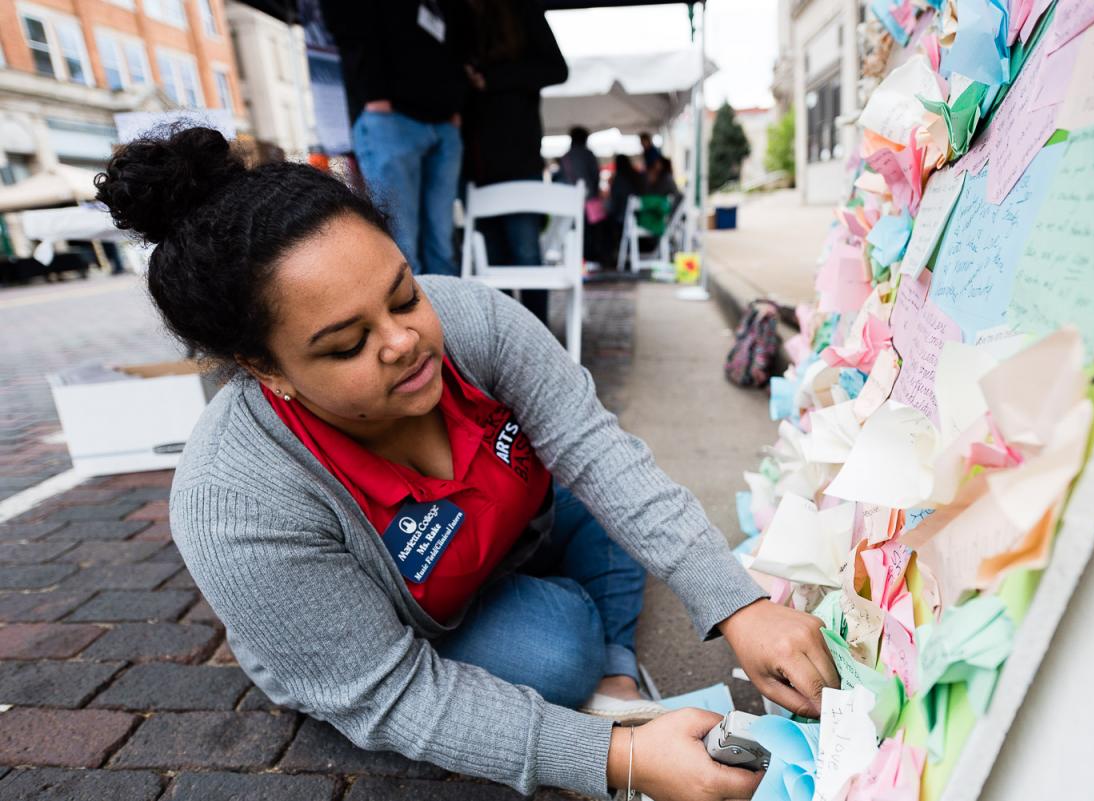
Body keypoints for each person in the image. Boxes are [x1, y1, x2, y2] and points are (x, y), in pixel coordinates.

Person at [94, 127, 839, 801]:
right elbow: (391, 693)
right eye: (346, 344)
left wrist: (741, 606)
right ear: (265, 367)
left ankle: (616, 669)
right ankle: (597, 663)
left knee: (610, 495)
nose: (406, 342)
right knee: (556, 655)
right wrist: (618, 756)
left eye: (403, 295)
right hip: (409, 624)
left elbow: (599, 452)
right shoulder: (235, 499)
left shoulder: (469, 317)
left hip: (506, 534)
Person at [321, 0, 470, 276]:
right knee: (402, 246)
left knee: (442, 243)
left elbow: (461, 35)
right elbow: (345, 22)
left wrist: (455, 103)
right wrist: (375, 93)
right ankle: (411, 318)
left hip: (443, 118)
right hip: (390, 118)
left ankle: (447, 317)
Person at [462, 0, 567, 325]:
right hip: (475, 166)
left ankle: (537, 339)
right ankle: (506, 342)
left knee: (525, 255)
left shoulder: (522, 13)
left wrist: (491, 81)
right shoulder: (460, 17)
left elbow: (557, 70)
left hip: (517, 161)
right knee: (492, 262)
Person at [555, 126, 604, 263]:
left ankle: (575, 259)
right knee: (590, 231)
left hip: (570, 199)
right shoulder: (588, 154)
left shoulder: (565, 157)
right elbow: (595, 175)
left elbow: (562, 177)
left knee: (572, 230)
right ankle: (590, 259)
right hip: (589, 199)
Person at [606, 154, 644, 267]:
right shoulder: (635, 176)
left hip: (624, 218)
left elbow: (614, 203)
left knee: (605, 224)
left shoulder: (619, 178)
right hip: (638, 215)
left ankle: (611, 257)